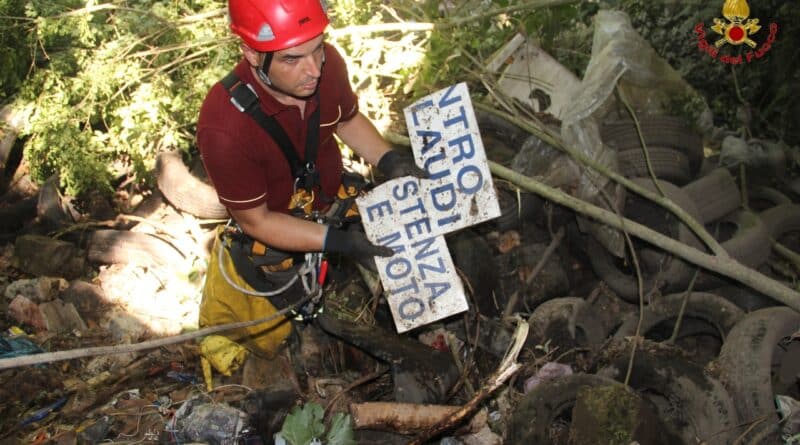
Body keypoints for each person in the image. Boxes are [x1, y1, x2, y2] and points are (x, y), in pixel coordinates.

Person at [194, 0, 426, 383]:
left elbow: (347, 119)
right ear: (252, 54)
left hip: (329, 200)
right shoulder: (224, 127)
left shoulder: (328, 65)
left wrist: (388, 159)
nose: (313, 70)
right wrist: (338, 243)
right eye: (292, 59)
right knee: (291, 337)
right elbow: (257, 220)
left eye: (318, 48)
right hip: (275, 234)